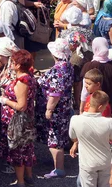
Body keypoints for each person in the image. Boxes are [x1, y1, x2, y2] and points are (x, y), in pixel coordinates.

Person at [36, 38, 73, 179]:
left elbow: (55, 93)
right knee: (59, 135)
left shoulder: (58, 69)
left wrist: (49, 109)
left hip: (56, 109)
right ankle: (56, 162)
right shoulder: (67, 65)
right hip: (63, 107)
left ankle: (59, 168)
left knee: (54, 137)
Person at [69, 91, 112, 187]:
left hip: (87, 163)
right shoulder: (108, 122)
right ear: (100, 107)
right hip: (105, 161)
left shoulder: (75, 120)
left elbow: (73, 137)